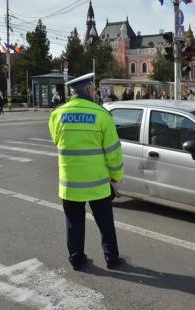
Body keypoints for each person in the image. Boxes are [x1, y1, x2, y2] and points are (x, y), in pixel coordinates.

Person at [48, 73, 124, 271]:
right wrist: (116, 175)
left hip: (71, 183)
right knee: (105, 224)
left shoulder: (58, 114)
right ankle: (112, 259)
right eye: (94, 89)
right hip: (98, 184)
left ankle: (77, 259)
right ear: (90, 90)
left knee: (74, 223)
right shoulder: (101, 115)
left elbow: (56, 140)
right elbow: (113, 152)